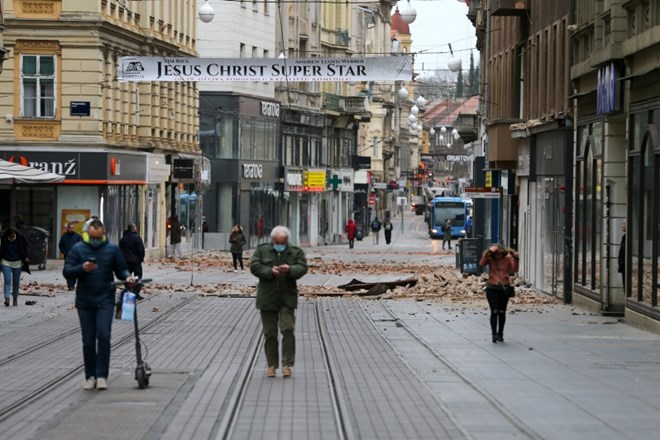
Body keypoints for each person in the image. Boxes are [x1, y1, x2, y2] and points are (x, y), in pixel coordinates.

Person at [63, 219, 134, 390]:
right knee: (88, 340)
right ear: (87, 234)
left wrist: (127, 277)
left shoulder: (112, 249)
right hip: (84, 301)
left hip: (105, 299)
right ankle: (90, 376)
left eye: (98, 237)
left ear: (103, 234)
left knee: (104, 336)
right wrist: (82, 268)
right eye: (92, 237)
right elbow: (67, 271)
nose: (95, 241)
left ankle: (102, 375)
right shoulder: (78, 249)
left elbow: (121, 269)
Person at [250, 226, 308, 378]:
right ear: (272, 240)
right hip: (267, 297)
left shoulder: (295, 252)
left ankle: (287, 364)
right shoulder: (262, 250)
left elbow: (302, 267)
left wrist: (289, 269)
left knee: (288, 329)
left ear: (287, 240)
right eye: (276, 242)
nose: (279, 244)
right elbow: (254, 266)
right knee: (270, 333)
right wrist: (270, 271)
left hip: (287, 297)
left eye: (281, 242)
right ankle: (272, 365)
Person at [479, 244, 520, 343]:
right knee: (494, 311)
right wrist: (488, 252)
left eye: (499, 254)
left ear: (502, 253)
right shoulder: (490, 258)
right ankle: (494, 335)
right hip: (492, 287)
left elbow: (515, 270)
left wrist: (516, 259)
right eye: (495, 254)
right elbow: (481, 264)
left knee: (502, 312)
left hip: (504, 288)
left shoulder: (508, 258)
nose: (497, 256)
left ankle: (500, 334)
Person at [1, 227, 29, 307]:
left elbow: (26, 246)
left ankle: (15, 298)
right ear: (8, 235)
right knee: (7, 280)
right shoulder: (4, 238)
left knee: (16, 281)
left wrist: (26, 256)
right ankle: (7, 298)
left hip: (17, 262)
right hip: (6, 261)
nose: (13, 237)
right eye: (11, 236)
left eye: (14, 236)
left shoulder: (20, 237)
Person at [119, 223, 145, 299]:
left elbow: (120, 249)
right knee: (138, 276)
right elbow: (141, 250)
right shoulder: (137, 238)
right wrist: (141, 258)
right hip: (135, 261)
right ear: (133, 229)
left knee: (127, 276)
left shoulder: (123, 238)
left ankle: (128, 290)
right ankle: (135, 292)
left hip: (125, 261)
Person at [59, 222, 83, 290]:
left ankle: (72, 284)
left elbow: (81, 246)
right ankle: (70, 285)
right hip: (67, 257)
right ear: (68, 228)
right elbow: (61, 245)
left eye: (73, 228)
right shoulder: (64, 236)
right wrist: (64, 252)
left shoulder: (78, 236)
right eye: (70, 228)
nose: (71, 229)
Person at [618, 219, 627, 293]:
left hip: (626, 267)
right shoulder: (624, 237)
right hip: (624, 268)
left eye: (623, 224)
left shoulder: (630, 238)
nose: (621, 226)